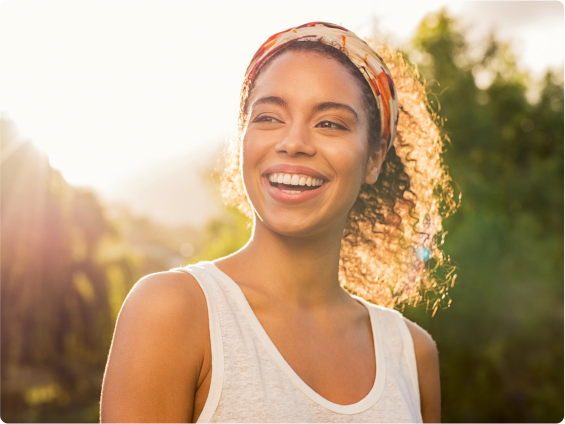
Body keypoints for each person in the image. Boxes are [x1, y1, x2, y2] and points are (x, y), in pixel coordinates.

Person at [101, 21, 455, 423]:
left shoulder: (411, 354)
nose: (293, 143)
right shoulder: (172, 311)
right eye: (269, 117)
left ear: (374, 158)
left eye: (330, 123)